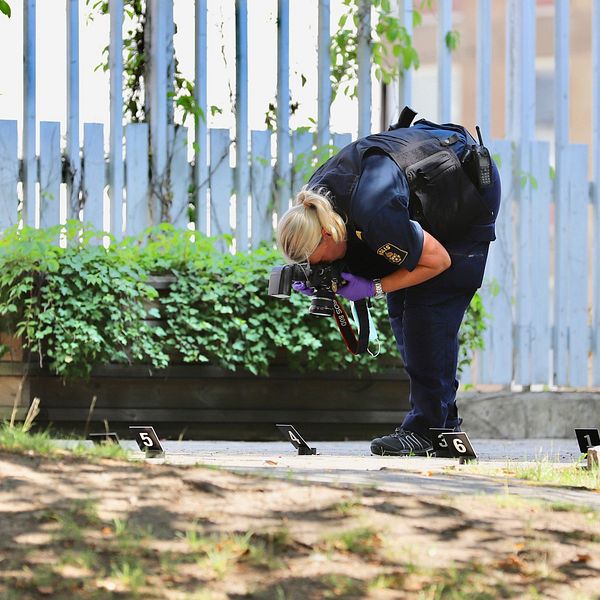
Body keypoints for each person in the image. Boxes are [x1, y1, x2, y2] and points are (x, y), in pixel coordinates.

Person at [276, 109, 501, 456]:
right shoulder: (316, 202)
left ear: (325, 234)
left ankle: (425, 430)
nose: (315, 267)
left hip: (465, 196)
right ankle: (443, 427)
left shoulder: (374, 213)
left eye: (316, 260)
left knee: (426, 313)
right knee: (402, 311)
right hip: (418, 197)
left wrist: (373, 287)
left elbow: (438, 260)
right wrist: (331, 280)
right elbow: (352, 249)